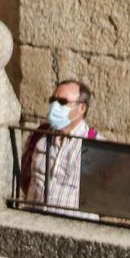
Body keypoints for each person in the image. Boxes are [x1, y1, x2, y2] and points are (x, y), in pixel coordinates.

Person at [19, 78, 99, 213]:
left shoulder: (96, 145)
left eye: (62, 102)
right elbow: (24, 176)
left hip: (72, 228)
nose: (55, 106)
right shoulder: (39, 135)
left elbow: (102, 196)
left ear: (82, 108)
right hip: (33, 222)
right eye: (52, 101)